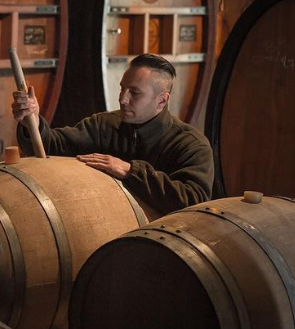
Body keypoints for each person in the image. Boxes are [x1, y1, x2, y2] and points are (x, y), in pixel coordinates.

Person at [11, 53, 213, 217]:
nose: (122, 99)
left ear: (162, 101)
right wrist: (33, 121)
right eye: (122, 88)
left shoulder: (190, 145)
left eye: (134, 93)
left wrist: (130, 171)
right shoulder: (105, 125)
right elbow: (51, 147)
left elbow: (193, 201)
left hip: (164, 248)